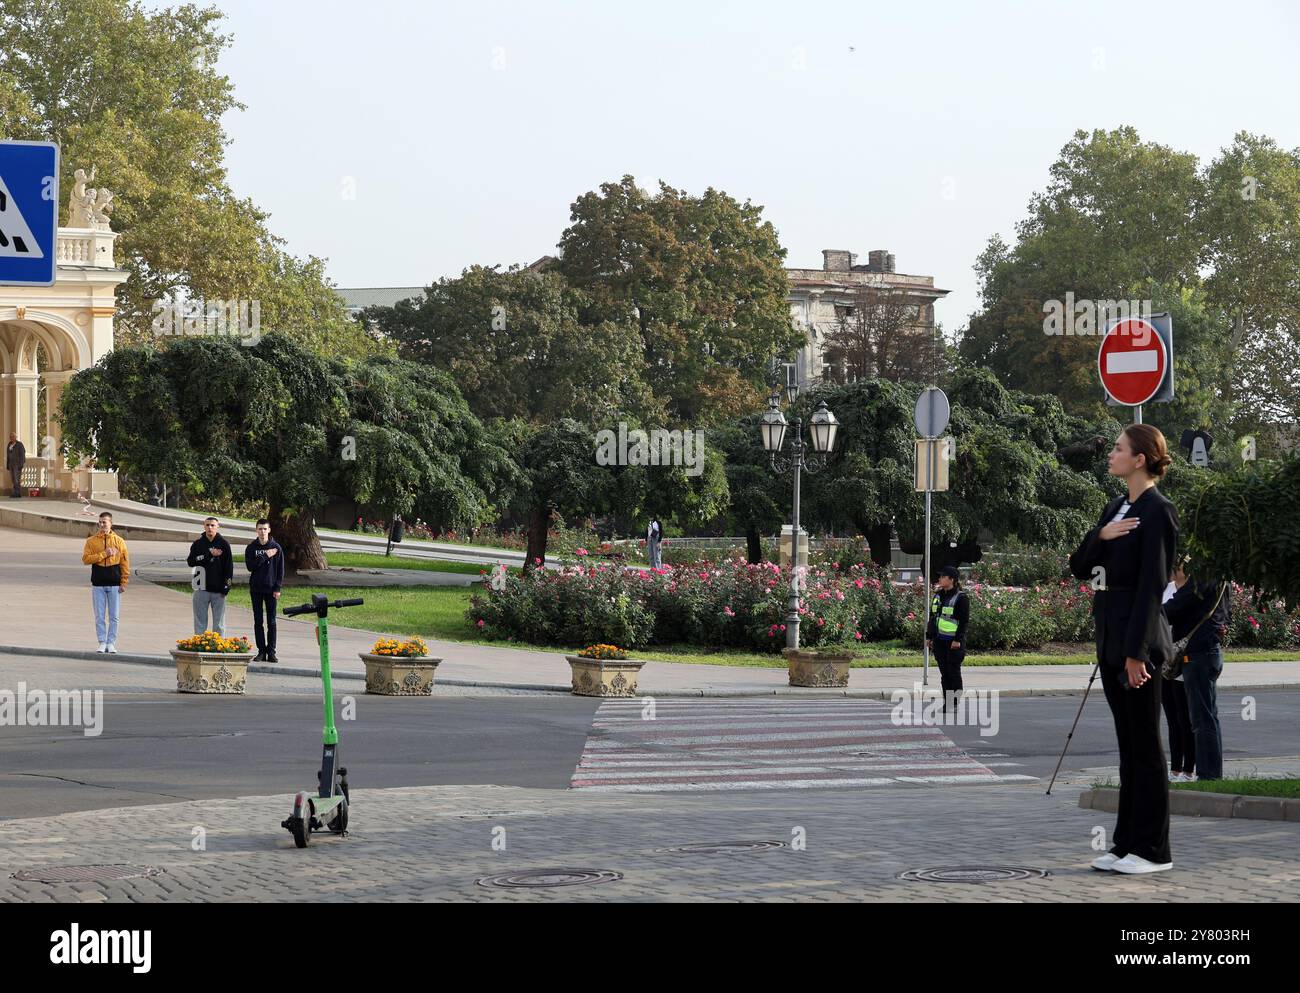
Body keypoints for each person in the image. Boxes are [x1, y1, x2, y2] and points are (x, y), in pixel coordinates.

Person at [1069, 424, 1178, 875]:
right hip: (1111, 641)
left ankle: (1154, 850)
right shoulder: (1115, 507)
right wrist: (1102, 537)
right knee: (1127, 747)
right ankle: (1125, 843)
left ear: (1139, 459)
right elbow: (1079, 567)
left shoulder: (1159, 511)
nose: (1111, 454)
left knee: (1147, 748)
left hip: (1138, 647)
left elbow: (1154, 586)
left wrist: (1136, 653)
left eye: (1118, 449)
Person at [1164, 564, 1230, 782]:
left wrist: (1149, 614)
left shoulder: (1204, 576)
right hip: (1209, 651)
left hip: (1199, 654)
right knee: (1208, 717)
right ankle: (1212, 773)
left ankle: (1208, 775)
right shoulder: (1220, 576)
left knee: (1202, 719)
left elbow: (1177, 606)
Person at [1159, 568, 1195, 783]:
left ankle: (1189, 768)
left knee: (1185, 717)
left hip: (1182, 657)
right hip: (1164, 660)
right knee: (1172, 717)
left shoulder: (1188, 592)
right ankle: (1175, 768)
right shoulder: (1164, 590)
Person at [81, 511, 129, 653]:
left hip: (114, 583)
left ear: (111, 523)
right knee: (99, 615)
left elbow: (125, 563)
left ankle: (111, 642)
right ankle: (102, 641)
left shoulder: (119, 541)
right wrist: (104, 554)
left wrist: (124, 581)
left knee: (114, 616)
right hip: (98, 583)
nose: (102, 524)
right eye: (100, 522)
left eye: (105, 522)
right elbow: (86, 559)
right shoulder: (91, 541)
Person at [925, 565, 969, 714]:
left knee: (953, 673)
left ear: (952, 580)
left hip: (954, 643)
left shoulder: (961, 598)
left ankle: (954, 701)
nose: (940, 579)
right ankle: (948, 702)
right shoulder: (938, 596)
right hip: (939, 641)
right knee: (944, 673)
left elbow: (963, 622)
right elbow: (933, 618)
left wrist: (958, 639)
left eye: (943, 576)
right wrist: (929, 636)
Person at [245, 518, 285, 662]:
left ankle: (271, 651)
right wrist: (264, 556)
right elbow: (250, 566)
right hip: (256, 589)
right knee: (258, 621)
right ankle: (261, 651)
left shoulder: (276, 547)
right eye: (260, 529)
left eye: (265, 529)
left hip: (271, 589)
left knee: (272, 621)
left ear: (269, 530)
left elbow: (280, 571)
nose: (262, 531)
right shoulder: (251, 548)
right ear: (256, 530)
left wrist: (277, 588)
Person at [187, 517, 234, 635]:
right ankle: (200, 645)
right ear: (204, 526)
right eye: (207, 525)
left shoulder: (224, 544)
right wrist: (208, 554)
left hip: (219, 589)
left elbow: (229, 567)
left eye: (213, 525)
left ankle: (219, 647)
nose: (210, 528)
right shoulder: (198, 544)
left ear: (218, 527)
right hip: (201, 587)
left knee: (219, 623)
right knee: (200, 622)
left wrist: (226, 586)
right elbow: (191, 562)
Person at [6, 432, 25, 498]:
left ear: (15, 437)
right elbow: (8, 455)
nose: (11, 438)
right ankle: (16, 493)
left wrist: (21, 464)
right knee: (13, 479)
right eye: (10, 437)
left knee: (17, 479)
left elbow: (22, 455)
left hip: (17, 464)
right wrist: (8, 465)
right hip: (11, 464)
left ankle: (17, 493)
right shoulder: (9, 444)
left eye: (13, 437)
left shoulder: (19, 444)